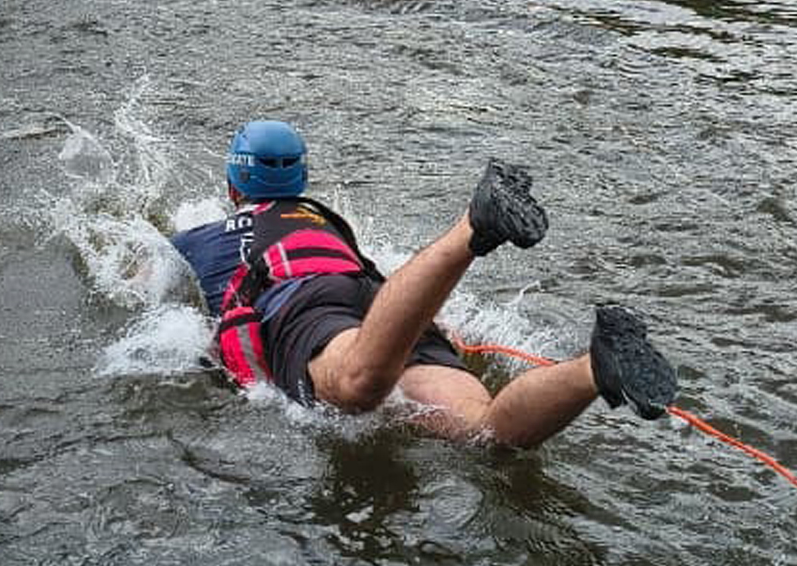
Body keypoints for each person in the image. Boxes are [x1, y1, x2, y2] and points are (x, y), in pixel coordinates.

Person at [169, 120, 677, 449]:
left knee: (356, 387)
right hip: (372, 298)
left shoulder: (201, 239)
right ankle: (596, 367)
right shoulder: (325, 219)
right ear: (300, 179)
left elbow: (154, 286)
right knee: (487, 433)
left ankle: (473, 227)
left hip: (305, 306)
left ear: (233, 186)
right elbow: (380, 277)